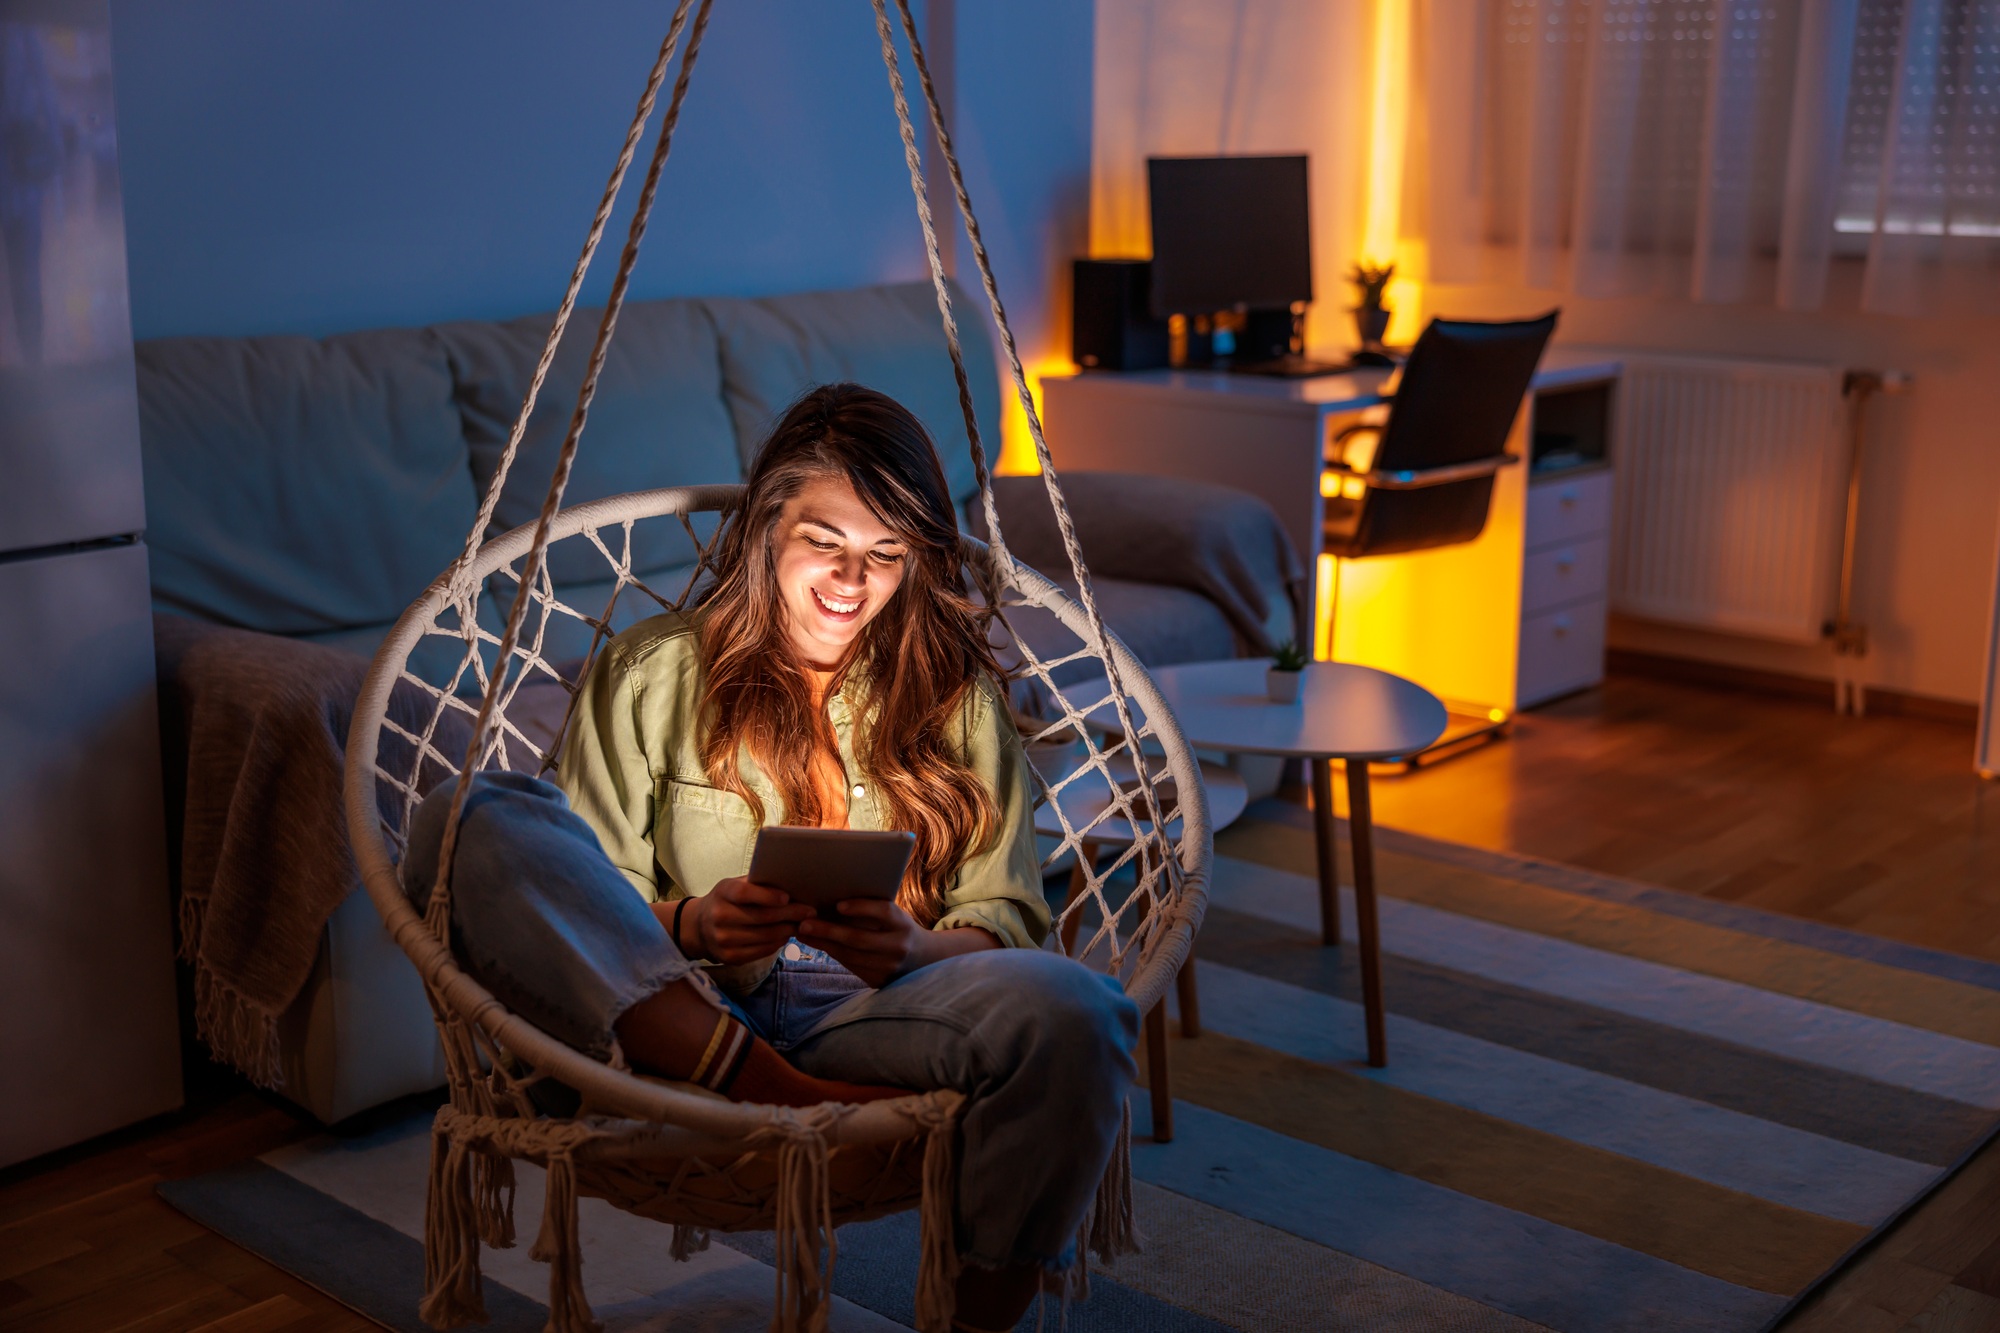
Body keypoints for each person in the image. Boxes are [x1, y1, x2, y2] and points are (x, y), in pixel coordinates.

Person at [401, 383, 1139, 1333]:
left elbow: (1011, 923)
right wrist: (698, 923)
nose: (850, 580)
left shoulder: (954, 700)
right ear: (763, 528)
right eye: (823, 541)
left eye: (885, 553)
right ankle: (768, 1088)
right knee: (468, 815)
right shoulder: (651, 672)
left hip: (877, 1016)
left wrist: (912, 951)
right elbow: (590, 899)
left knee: (1087, 1009)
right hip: (686, 1017)